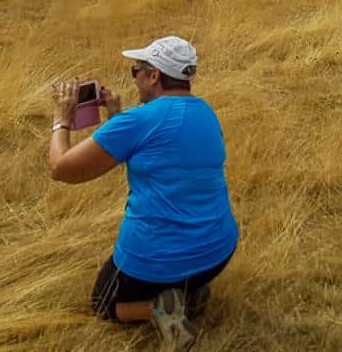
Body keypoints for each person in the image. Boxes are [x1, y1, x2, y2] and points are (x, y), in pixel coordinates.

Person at [47, 36, 238, 352]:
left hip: (157, 261)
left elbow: (62, 169)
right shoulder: (206, 111)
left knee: (104, 302)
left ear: (154, 76)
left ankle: (161, 309)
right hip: (218, 252)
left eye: (137, 70)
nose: (134, 76)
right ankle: (191, 290)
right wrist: (117, 116)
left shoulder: (137, 122)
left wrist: (61, 120)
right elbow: (161, 146)